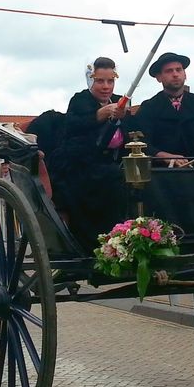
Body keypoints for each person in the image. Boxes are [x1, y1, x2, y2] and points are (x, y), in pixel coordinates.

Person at [48, 57, 130, 246]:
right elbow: (73, 127)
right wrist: (99, 115)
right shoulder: (80, 100)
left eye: (110, 81)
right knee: (112, 179)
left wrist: (124, 117)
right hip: (80, 167)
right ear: (91, 80)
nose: (106, 86)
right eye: (100, 81)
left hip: (114, 163)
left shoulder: (121, 102)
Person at [130, 51, 194, 167]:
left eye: (178, 70)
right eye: (169, 71)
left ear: (185, 74)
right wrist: (164, 156)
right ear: (159, 77)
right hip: (162, 174)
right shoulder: (149, 107)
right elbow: (143, 144)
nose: (175, 74)